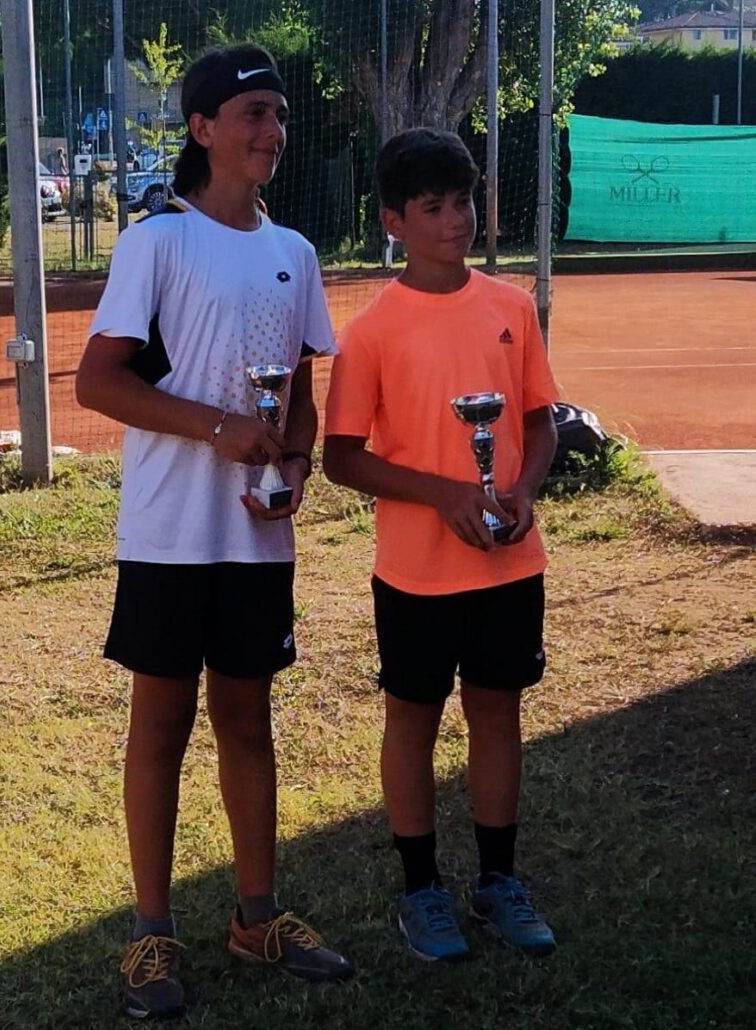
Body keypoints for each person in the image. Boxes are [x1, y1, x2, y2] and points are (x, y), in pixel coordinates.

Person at [76, 42, 353, 1021]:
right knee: (160, 724)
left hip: (254, 539)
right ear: (202, 128)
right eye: (253, 114)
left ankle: (256, 916)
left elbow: (301, 394)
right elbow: (98, 380)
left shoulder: (294, 254)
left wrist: (292, 467)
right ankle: (151, 931)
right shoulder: (157, 241)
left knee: (247, 720)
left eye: (278, 114)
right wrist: (216, 427)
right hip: (167, 533)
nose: (272, 131)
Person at [323, 128, 560, 963]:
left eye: (463, 202)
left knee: (497, 713)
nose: (455, 220)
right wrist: (443, 493)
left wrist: (521, 490)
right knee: (414, 720)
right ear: (395, 221)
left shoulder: (511, 308)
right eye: (433, 207)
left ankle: (498, 881)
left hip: (508, 563)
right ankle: (421, 890)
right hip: (417, 574)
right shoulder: (370, 332)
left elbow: (540, 423)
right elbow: (341, 458)